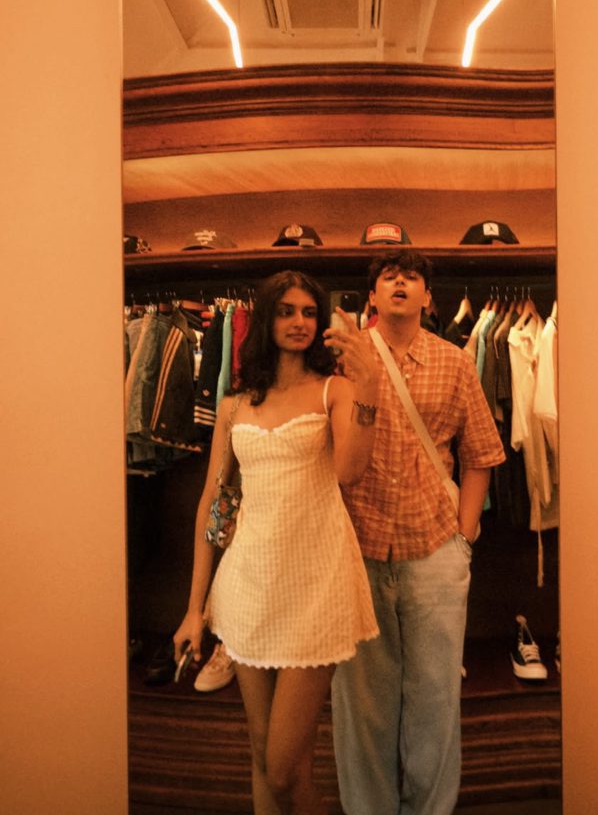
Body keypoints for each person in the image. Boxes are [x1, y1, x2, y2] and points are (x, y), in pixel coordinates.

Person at [173, 271, 379, 815]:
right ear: (265, 319)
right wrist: (195, 609)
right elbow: (215, 506)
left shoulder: (335, 390)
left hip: (316, 585)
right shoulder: (236, 405)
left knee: (285, 765)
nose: (299, 322)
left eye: (309, 312)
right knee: (265, 759)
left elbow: (350, 471)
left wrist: (370, 389)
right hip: (248, 586)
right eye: (286, 311)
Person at [331, 249, 506, 815]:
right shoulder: (344, 358)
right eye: (388, 277)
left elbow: (480, 454)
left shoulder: (455, 362)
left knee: (435, 698)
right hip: (357, 548)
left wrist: (464, 536)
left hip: (435, 550)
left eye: (412, 277)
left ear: (429, 296)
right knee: (362, 704)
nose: (400, 283)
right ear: (373, 295)